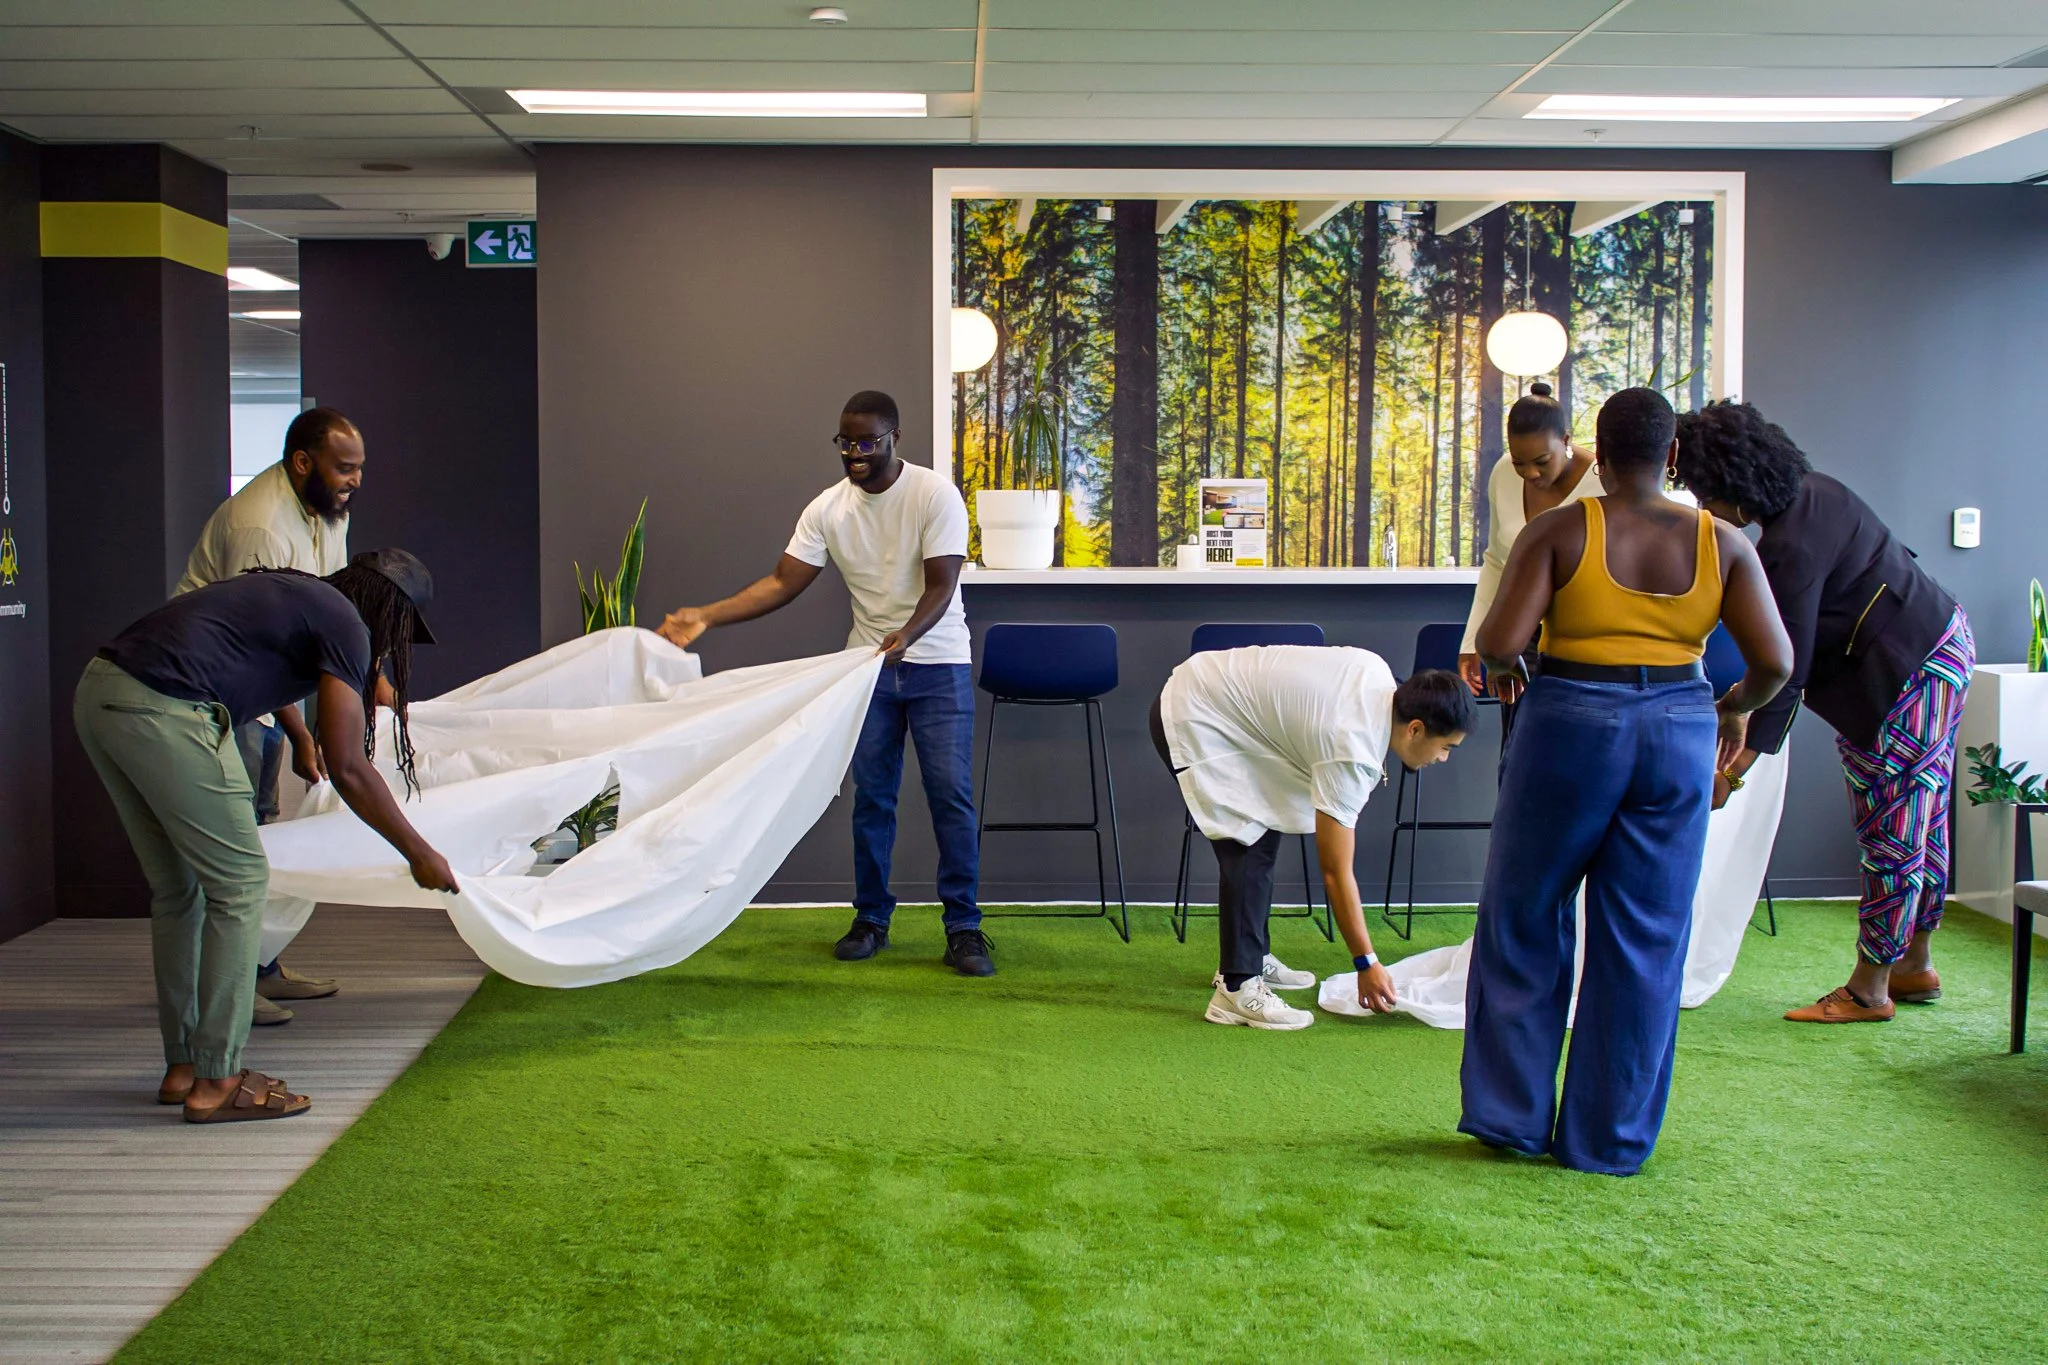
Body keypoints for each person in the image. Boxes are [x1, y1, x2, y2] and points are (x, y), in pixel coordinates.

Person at [1464, 387, 1791, 1175]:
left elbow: (1502, 639)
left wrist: (1510, 667)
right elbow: (1775, 662)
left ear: (1595, 457)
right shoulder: (1725, 544)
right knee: (1646, 938)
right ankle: (1606, 1141)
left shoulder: (1560, 528)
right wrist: (1735, 707)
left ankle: (1512, 1119)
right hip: (1678, 733)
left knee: (1527, 915)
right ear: (1672, 455)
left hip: (1570, 723)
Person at [74, 549, 458, 1123]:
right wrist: (419, 853)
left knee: (181, 889)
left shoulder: (298, 593)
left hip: (102, 693)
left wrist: (298, 735)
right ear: (391, 614)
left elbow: (249, 656)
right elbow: (349, 765)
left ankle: (185, 1068)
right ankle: (219, 1078)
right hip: (169, 708)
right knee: (241, 882)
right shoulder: (349, 626)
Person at [658, 391, 992, 976]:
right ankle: (871, 920)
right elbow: (783, 582)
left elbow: (941, 585)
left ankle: (964, 928)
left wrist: (907, 636)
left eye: (867, 442)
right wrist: (707, 615)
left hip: (938, 665)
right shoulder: (828, 508)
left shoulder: (934, 494)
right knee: (872, 799)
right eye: (846, 443)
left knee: (950, 797)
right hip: (865, 671)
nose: (855, 453)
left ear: (893, 438)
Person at [1675, 401, 1973, 1024]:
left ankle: (1870, 990)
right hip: (1942, 643)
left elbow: (1783, 669)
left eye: (1704, 492)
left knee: (1892, 826)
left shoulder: (1788, 547)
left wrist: (1732, 769)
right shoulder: (1820, 491)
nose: (1703, 507)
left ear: (1732, 480)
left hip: (1900, 675)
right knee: (1925, 812)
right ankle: (1915, 964)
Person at [1151, 644, 1474, 1029]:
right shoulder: (1351, 750)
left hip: (1225, 702)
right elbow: (1336, 872)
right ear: (1416, 728)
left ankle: (1250, 955)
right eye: (1446, 748)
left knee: (1261, 832)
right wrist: (1366, 963)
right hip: (1195, 710)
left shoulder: (1379, 674)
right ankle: (1236, 989)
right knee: (1247, 842)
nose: (1443, 759)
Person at [178, 406, 367, 1023]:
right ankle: (226, 995)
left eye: (360, 469)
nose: (355, 480)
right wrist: (302, 731)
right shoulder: (261, 525)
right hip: (212, 694)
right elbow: (255, 641)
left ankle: (259, 970)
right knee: (232, 849)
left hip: (257, 693)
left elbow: (329, 606)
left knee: (263, 836)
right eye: (345, 468)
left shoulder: (326, 507)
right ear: (302, 462)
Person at [1458, 381, 1603, 706]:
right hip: (1518, 636)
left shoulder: (1601, 481)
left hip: (1580, 644)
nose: (1530, 473)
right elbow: (1496, 563)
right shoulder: (1502, 474)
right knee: (1518, 742)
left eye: (1541, 460)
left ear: (1565, 441)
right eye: (1519, 462)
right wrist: (1472, 642)